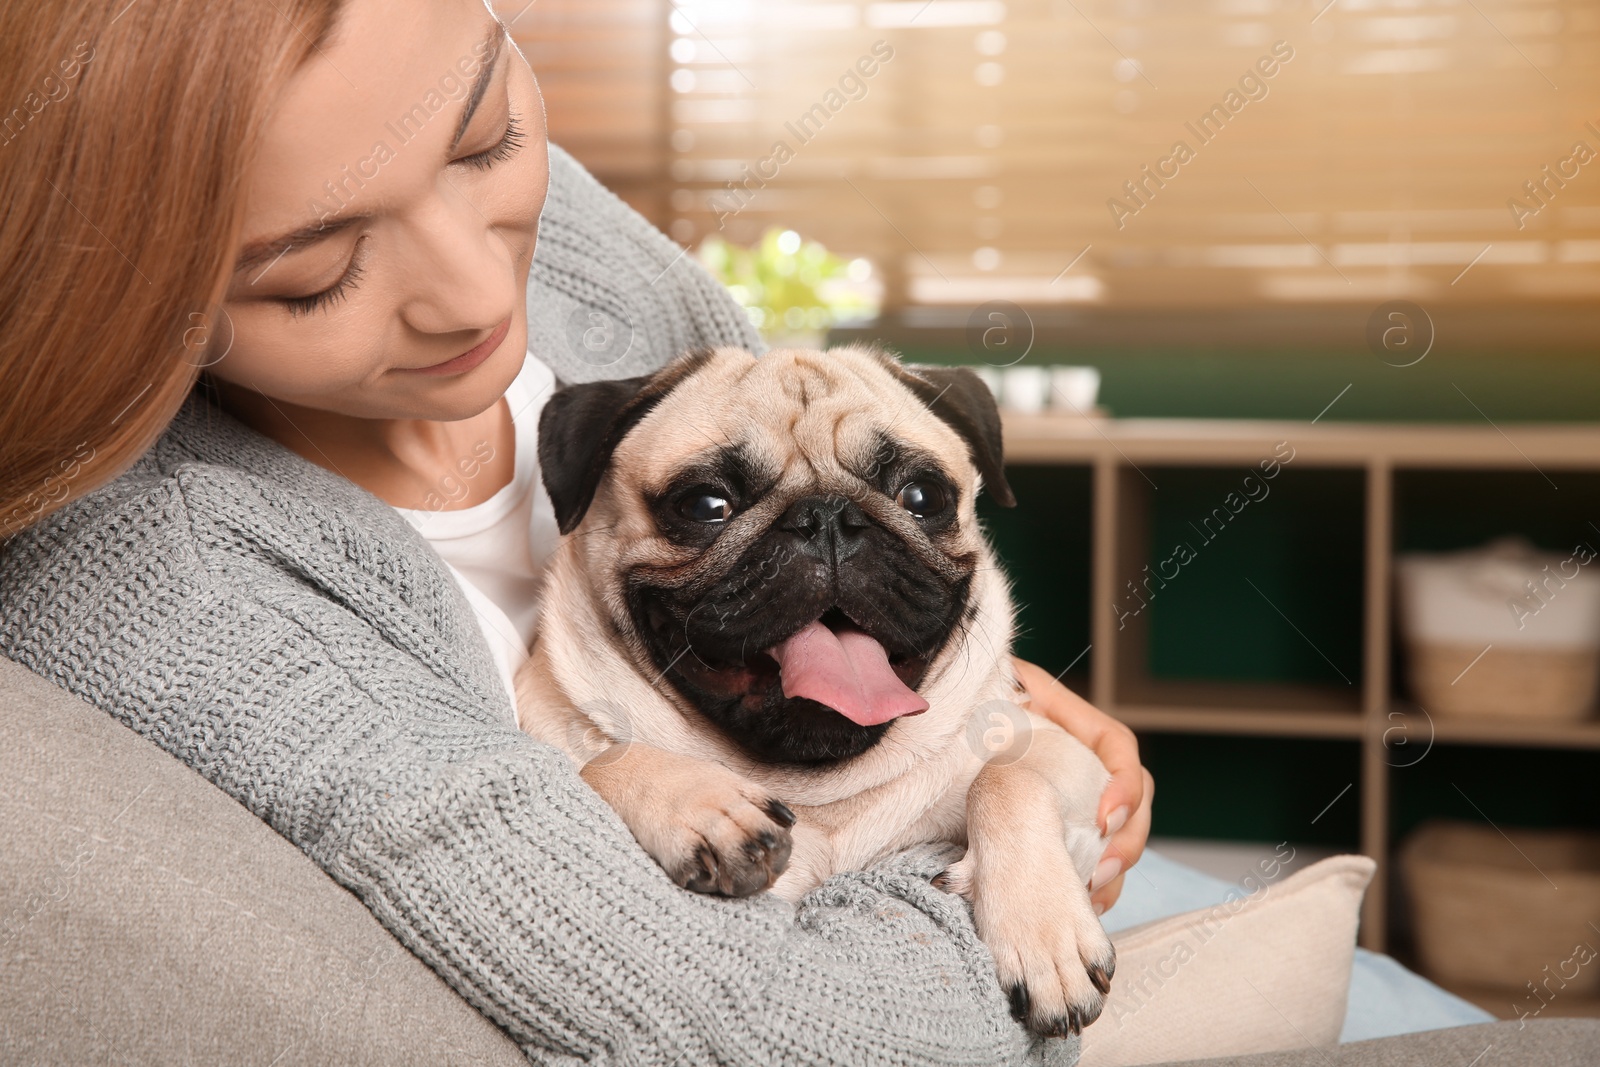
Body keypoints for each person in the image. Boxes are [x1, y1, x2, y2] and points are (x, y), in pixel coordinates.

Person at [0, 0, 1152, 1062]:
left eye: (485, 140)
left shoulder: (580, 261)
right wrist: (1006, 886)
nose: (474, 292)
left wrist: (991, 739)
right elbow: (789, 1031)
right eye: (314, 271)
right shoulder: (177, 589)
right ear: (115, 296)